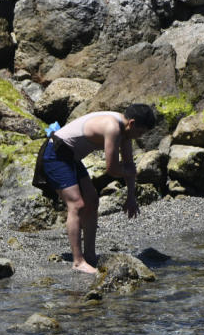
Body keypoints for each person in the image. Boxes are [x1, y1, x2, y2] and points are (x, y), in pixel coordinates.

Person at [44, 104, 156, 274]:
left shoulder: (125, 130)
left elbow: (128, 164)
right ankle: (78, 261)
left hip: (71, 157)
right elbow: (112, 168)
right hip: (56, 152)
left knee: (92, 200)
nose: (140, 137)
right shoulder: (113, 128)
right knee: (77, 204)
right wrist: (129, 171)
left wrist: (131, 197)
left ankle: (90, 255)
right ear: (132, 123)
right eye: (140, 132)